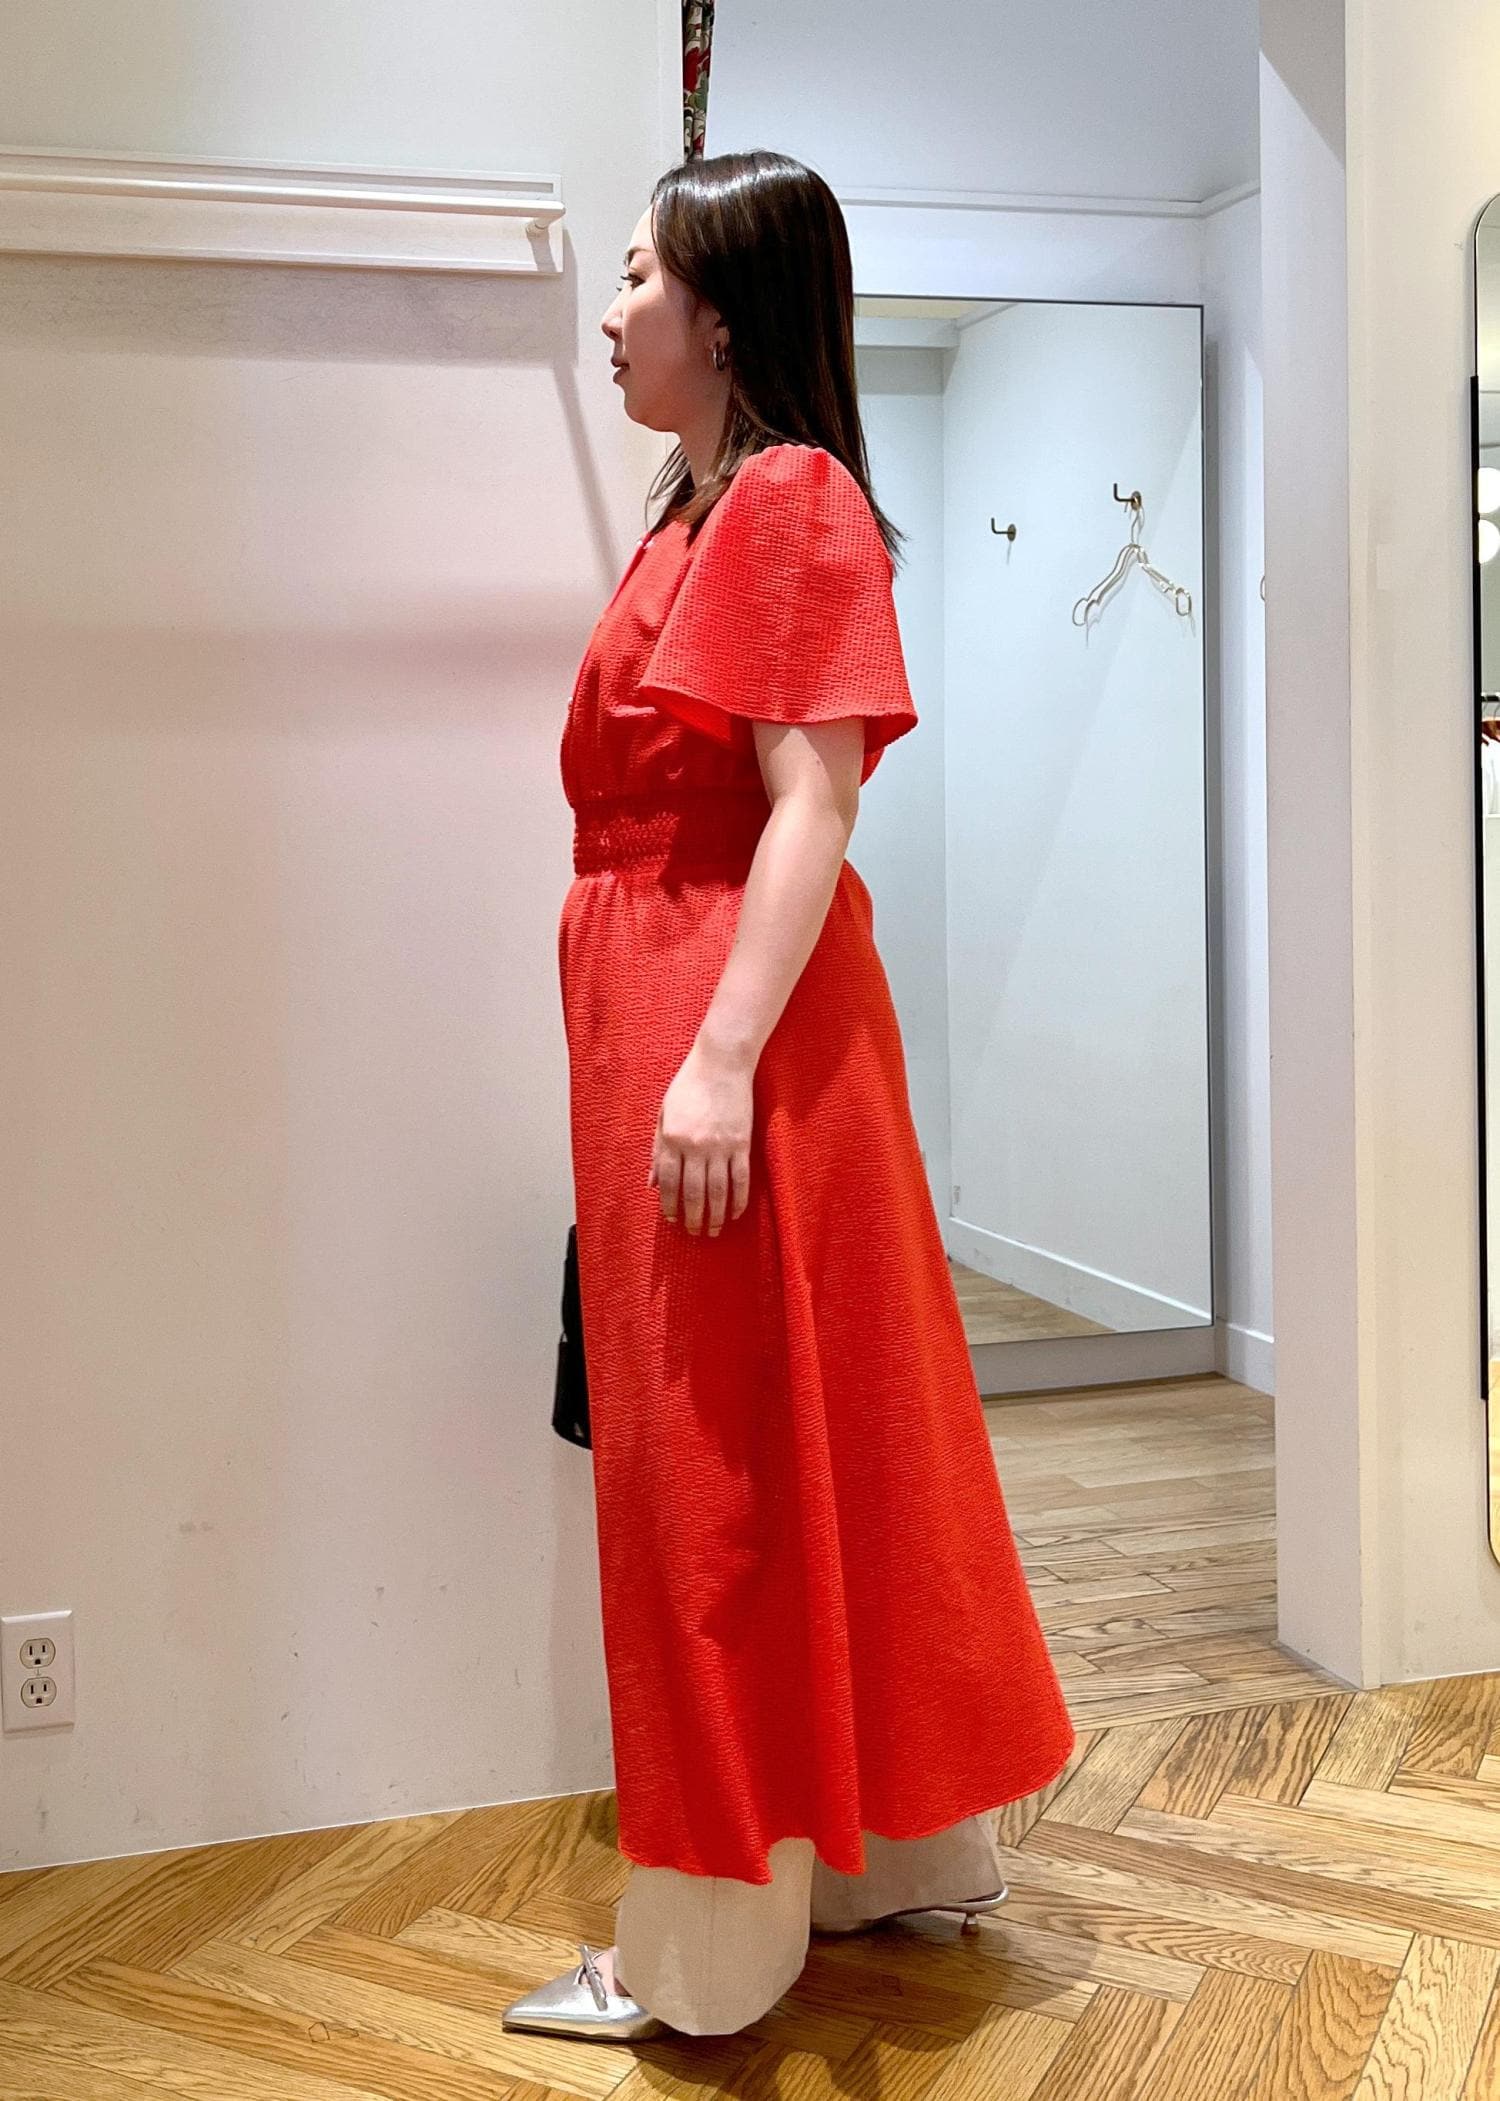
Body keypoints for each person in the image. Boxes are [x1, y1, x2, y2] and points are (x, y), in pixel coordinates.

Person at [502, 147, 1075, 2043]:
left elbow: (812, 796)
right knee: (788, 1439)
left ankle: (702, 1944)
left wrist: (721, 1057)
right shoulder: (701, 502)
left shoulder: (787, 496)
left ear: (727, 314)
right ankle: (882, 1854)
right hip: (677, 1012)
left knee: (714, 1477)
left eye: (638, 276)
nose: (610, 314)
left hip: (722, 1030)